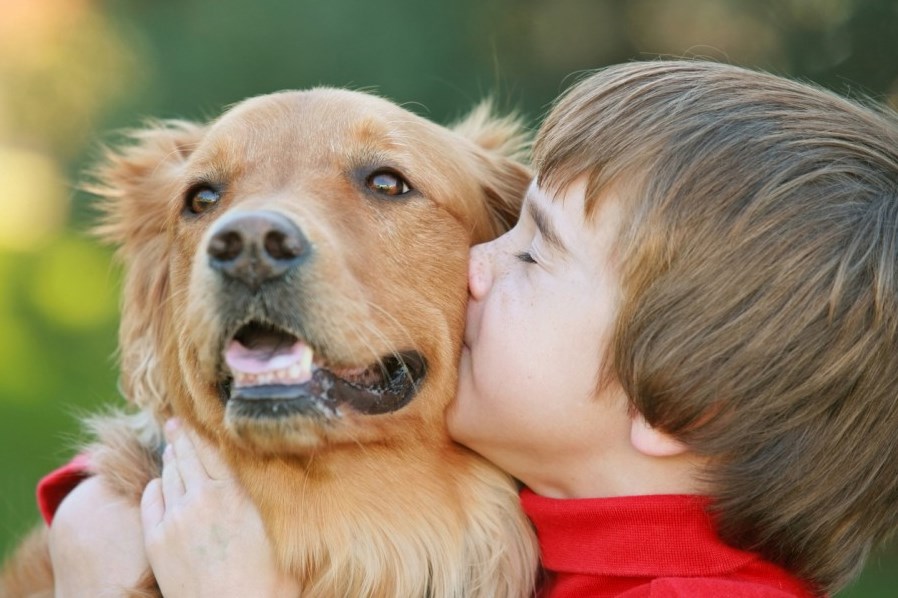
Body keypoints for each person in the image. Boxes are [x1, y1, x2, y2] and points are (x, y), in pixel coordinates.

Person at [45, 60, 898, 597]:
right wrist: (98, 502)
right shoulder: (563, 529)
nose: (477, 266)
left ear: (684, 400)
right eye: (206, 204)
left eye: (532, 254)